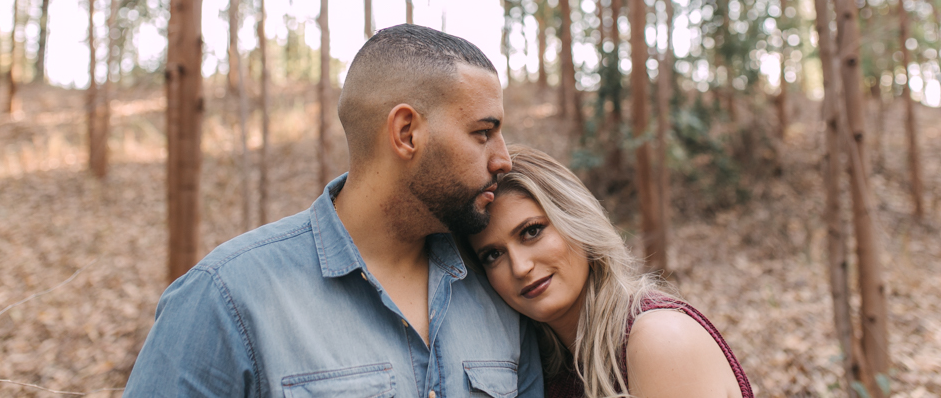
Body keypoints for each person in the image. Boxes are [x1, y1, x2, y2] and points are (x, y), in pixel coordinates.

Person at [123, 25, 543, 397]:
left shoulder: (501, 287)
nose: (503, 160)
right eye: (483, 133)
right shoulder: (226, 297)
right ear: (406, 133)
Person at [469, 146, 754, 398]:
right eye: (493, 255)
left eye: (532, 231)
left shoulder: (661, 340)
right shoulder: (544, 367)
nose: (520, 267)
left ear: (576, 220)